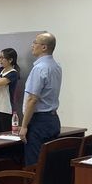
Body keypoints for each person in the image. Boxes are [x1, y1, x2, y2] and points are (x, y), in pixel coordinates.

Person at [19, 32, 61, 166]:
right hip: (52, 119)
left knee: (35, 164)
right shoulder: (56, 66)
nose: (32, 45)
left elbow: (32, 99)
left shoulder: (39, 68)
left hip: (39, 122)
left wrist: (24, 126)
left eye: (35, 43)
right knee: (49, 164)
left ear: (44, 47)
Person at [0, 47, 20, 133]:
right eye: (0, 57)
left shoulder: (13, 73)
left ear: (10, 60)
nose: (0, 60)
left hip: (6, 110)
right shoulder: (0, 70)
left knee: (6, 136)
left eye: (3, 58)